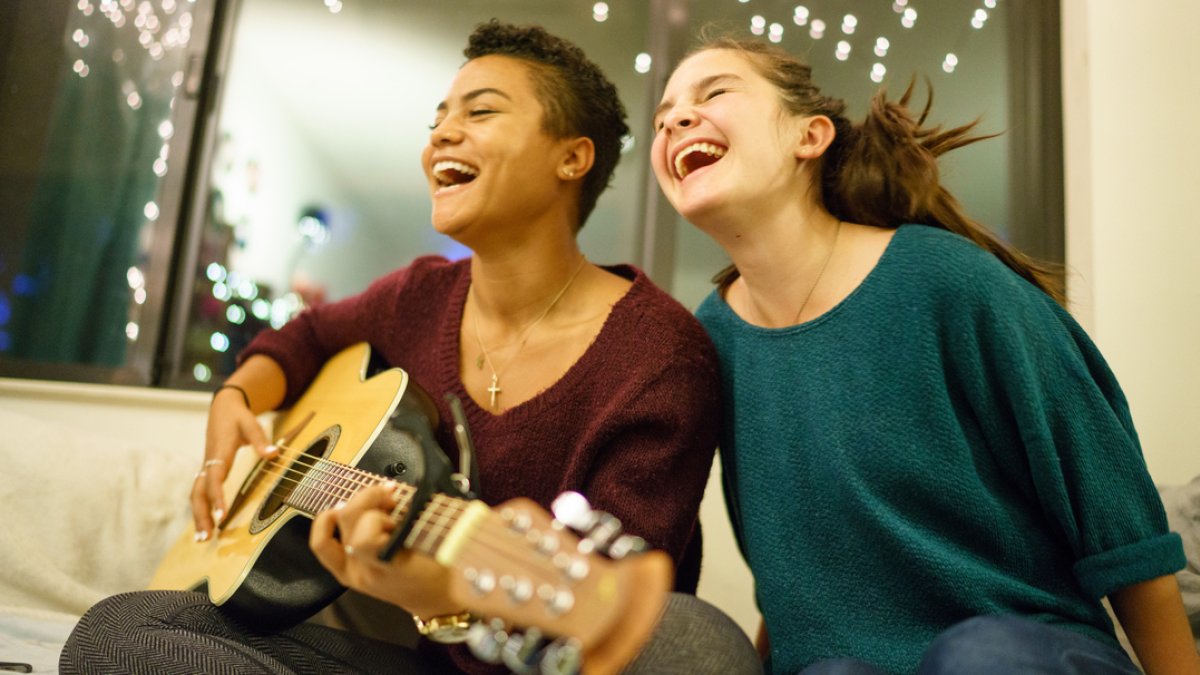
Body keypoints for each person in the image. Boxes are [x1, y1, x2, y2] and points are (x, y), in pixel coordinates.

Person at [61, 20, 761, 675]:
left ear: (572, 156)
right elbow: (301, 337)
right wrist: (236, 399)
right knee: (116, 631)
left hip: (539, 656)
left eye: (479, 113)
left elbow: (626, 631)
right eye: (437, 122)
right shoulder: (420, 294)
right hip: (403, 655)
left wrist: (438, 593)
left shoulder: (661, 356)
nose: (441, 138)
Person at [649, 34, 1200, 675]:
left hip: (1019, 653)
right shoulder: (708, 340)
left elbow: (1124, 536)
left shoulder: (950, 283)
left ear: (811, 136)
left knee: (977, 658)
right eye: (663, 118)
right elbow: (803, 566)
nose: (677, 121)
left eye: (714, 92)